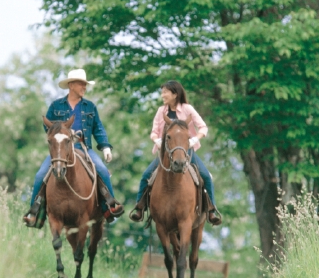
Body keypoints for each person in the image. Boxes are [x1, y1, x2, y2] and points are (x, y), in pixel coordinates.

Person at [24, 68, 124, 226]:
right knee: (40, 176)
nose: (84, 87)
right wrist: (61, 133)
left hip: (85, 148)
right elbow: (48, 127)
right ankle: (35, 213)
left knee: (102, 170)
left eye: (85, 84)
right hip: (60, 151)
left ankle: (109, 206)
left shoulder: (90, 107)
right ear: (71, 85)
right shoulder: (56, 105)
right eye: (81, 84)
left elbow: (98, 128)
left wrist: (105, 147)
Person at [129, 80, 222, 225]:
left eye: (165, 92)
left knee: (206, 177)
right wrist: (157, 141)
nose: (162, 95)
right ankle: (140, 208)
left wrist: (194, 140)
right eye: (162, 92)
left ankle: (211, 210)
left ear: (175, 94)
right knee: (146, 175)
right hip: (165, 154)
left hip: (187, 152)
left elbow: (203, 127)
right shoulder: (161, 111)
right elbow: (153, 132)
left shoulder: (188, 109)